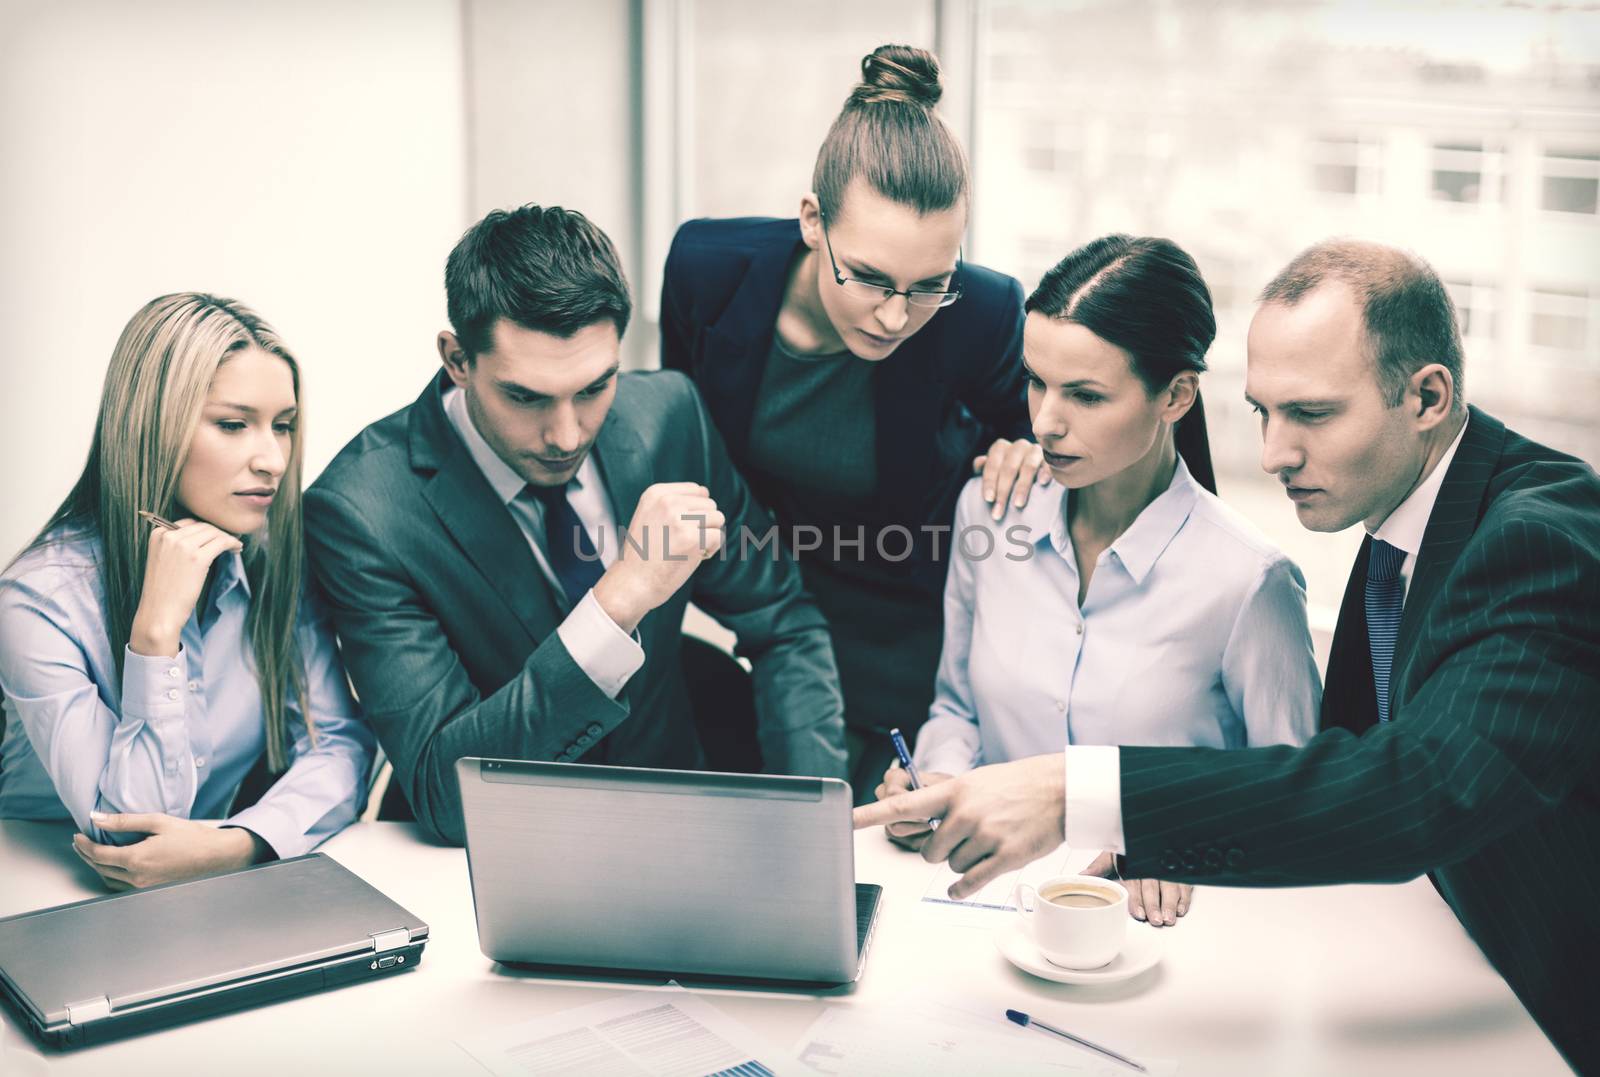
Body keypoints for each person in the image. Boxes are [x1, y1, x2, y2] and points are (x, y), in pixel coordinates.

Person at [855, 240, 1600, 1072]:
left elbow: (1415, 784)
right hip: (1440, 977)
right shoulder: (1399, 534)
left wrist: (1083, 792)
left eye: (1311, 414)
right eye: (1262, 413)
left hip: (1551, 1009)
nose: (1274, 454)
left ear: (1426, 396)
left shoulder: (1537, 538)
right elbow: (1337, 771)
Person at [303, 204, 846, 847]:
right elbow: (443, 793)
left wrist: (813, 820)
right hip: (493, 863)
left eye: (593, 388)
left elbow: (784, 622)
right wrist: (617, 602)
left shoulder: (671, 415)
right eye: (525, 397)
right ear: (457, 359)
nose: (566, 436)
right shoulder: (363, 510)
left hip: (681, 836)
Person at [878, 236, 1320, 927]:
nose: (1046, 421)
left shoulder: (1249, 583)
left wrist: (1178, 842)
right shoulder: (988, 515)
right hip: (981, 913)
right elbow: (958, 708)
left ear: (1175, 395)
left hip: (1158, 936)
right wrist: (938, 780)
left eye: (1085, 395)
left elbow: (1299, 809)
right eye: (1035, 382)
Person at [661, 44, 1043, 798]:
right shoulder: (706, 268)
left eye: (929, 284)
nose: (898, 315)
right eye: (868, 277)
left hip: (905, 613)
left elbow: (1034, 428)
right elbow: (689, 430)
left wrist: (1024, 449)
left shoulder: (985, 311)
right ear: (811, 221)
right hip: (770, 592)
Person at [0, 293, 375, 889]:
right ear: (152, 427)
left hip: (205, 894)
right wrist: (155, 636)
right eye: (233, 424)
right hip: (46, 901)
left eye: (283, 426)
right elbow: (125, 835)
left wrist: (244, 842)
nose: (274, 459)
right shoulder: (39, 601)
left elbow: (340, 749)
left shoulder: (273, 561)